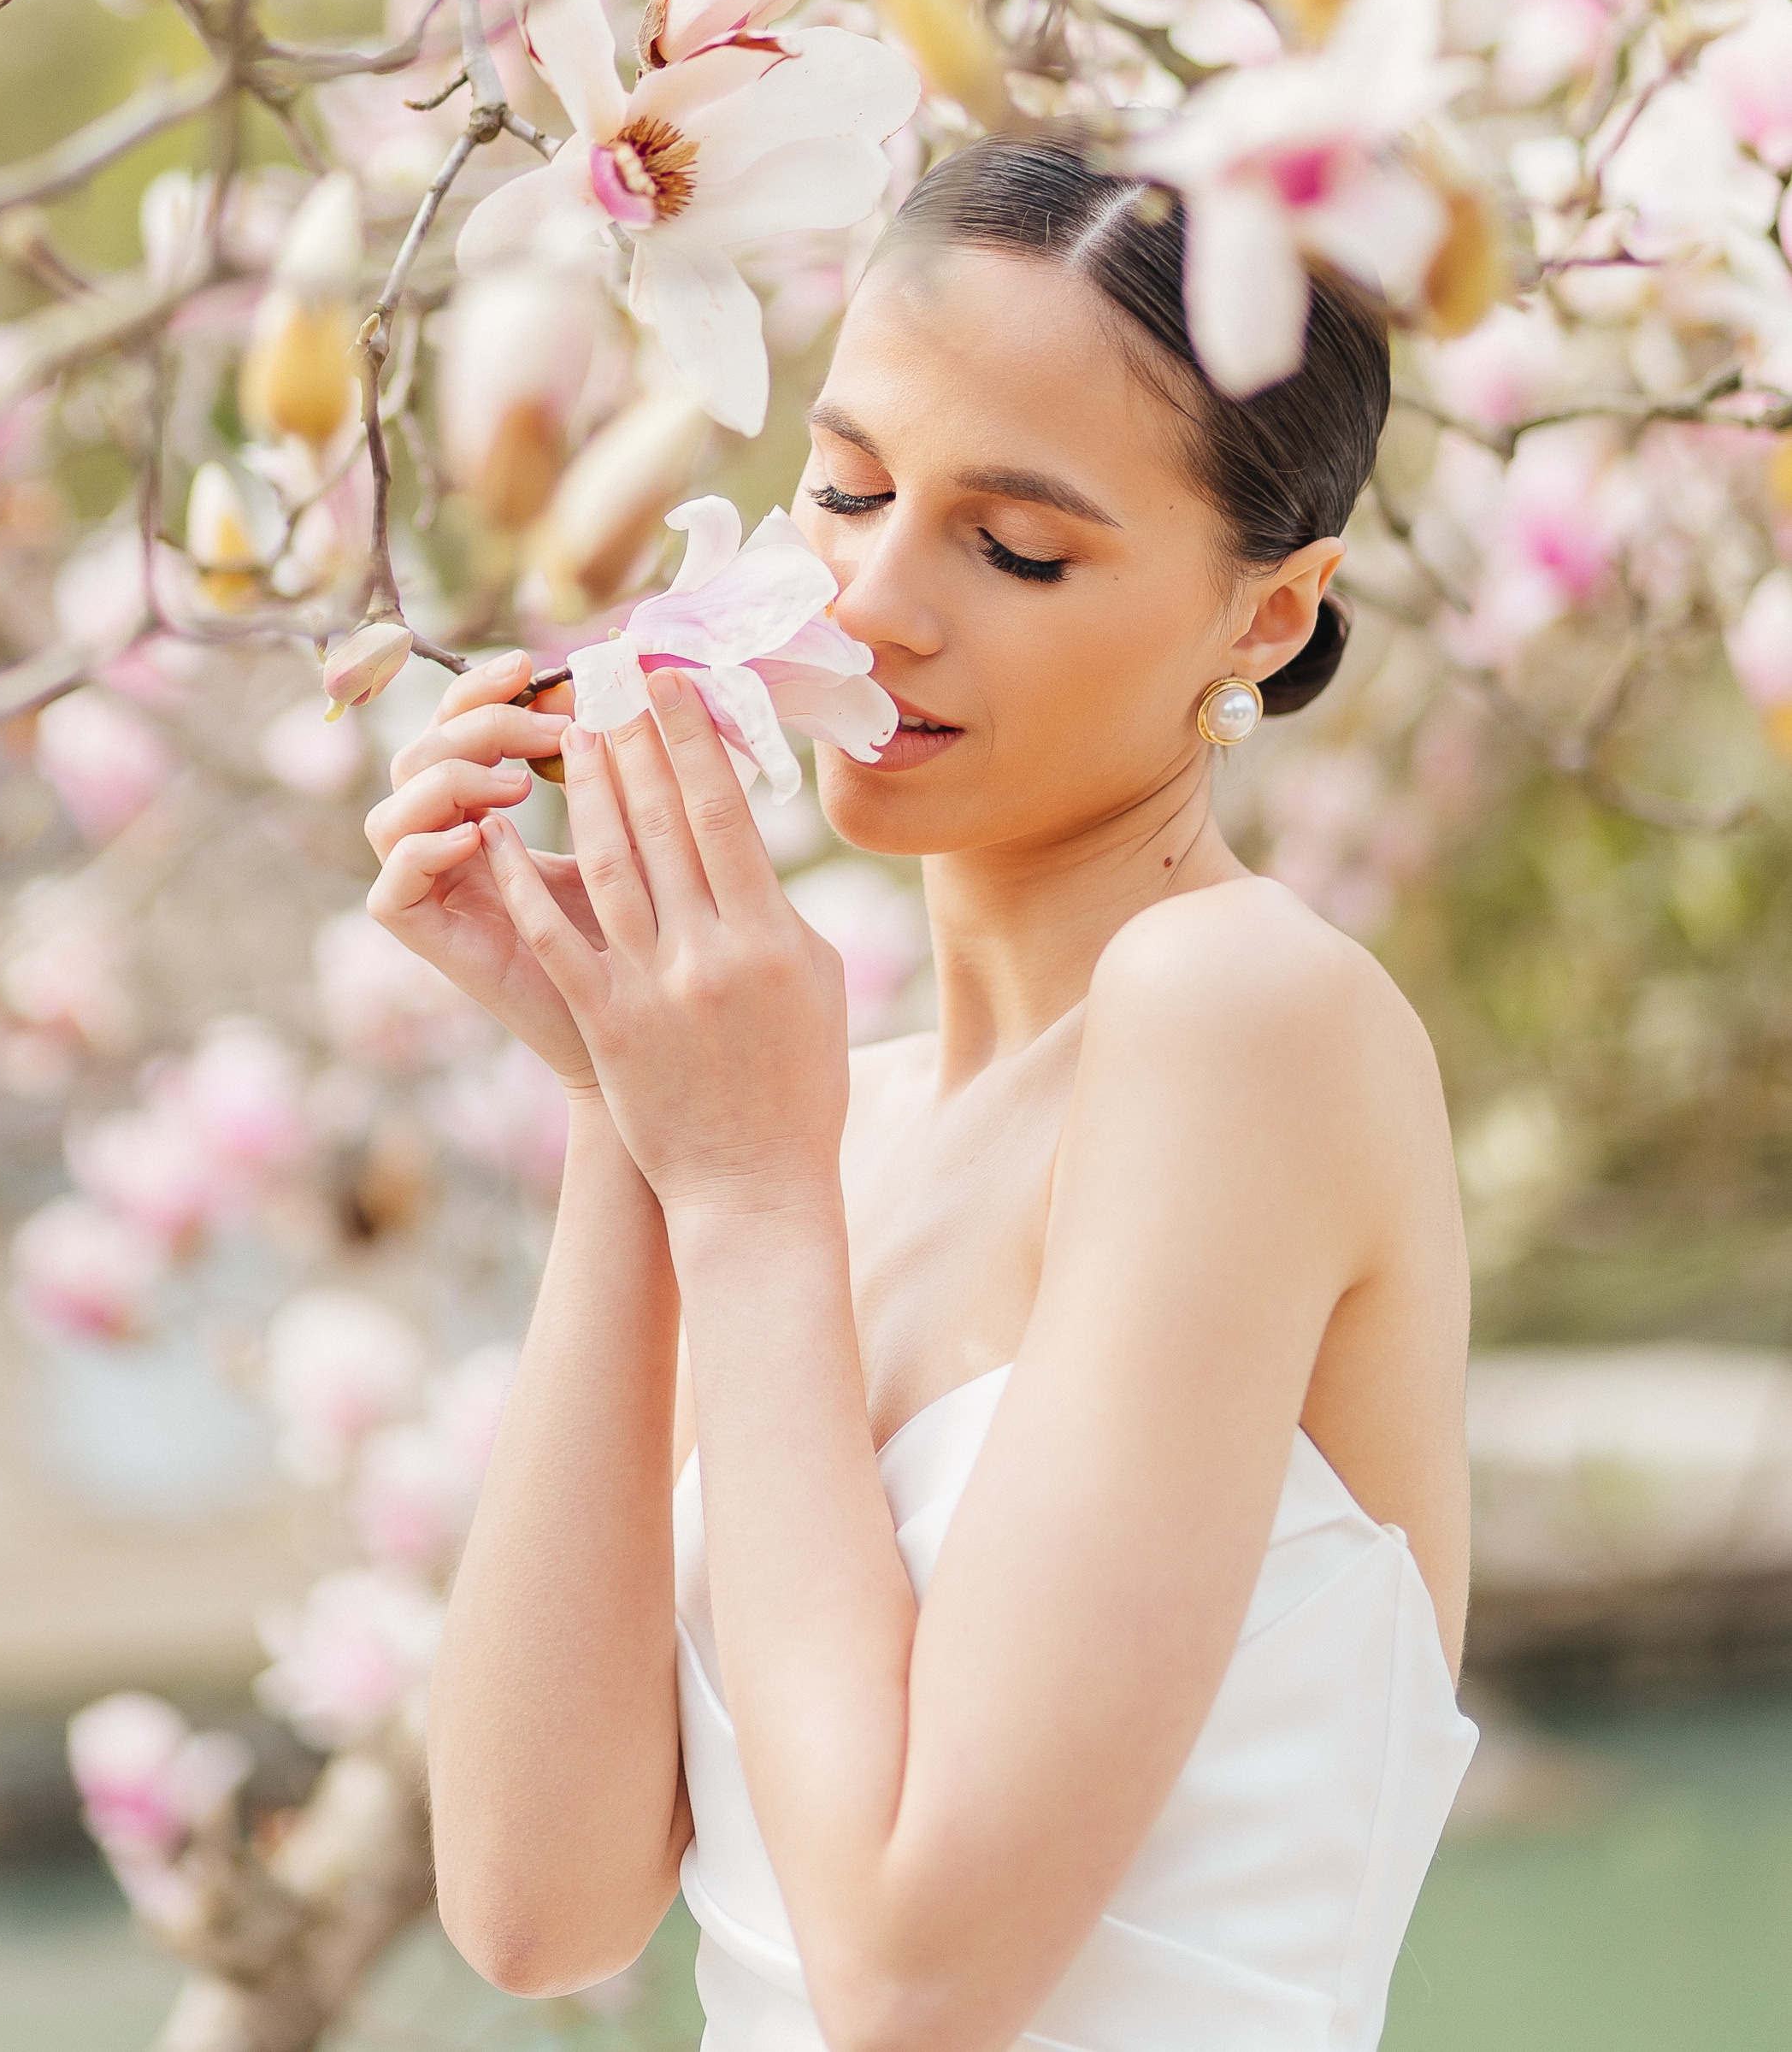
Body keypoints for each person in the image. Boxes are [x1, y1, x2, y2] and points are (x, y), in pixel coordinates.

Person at [366, 139, 1476, 2052]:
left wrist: (735, 1190)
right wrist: (622, 1111)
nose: (871, 601)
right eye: (847, 489)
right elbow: (537, 1903)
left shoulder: (1244, 1019)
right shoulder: (816, 1129)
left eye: (1017, 545)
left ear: (1267, 618)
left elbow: (910, 1975)